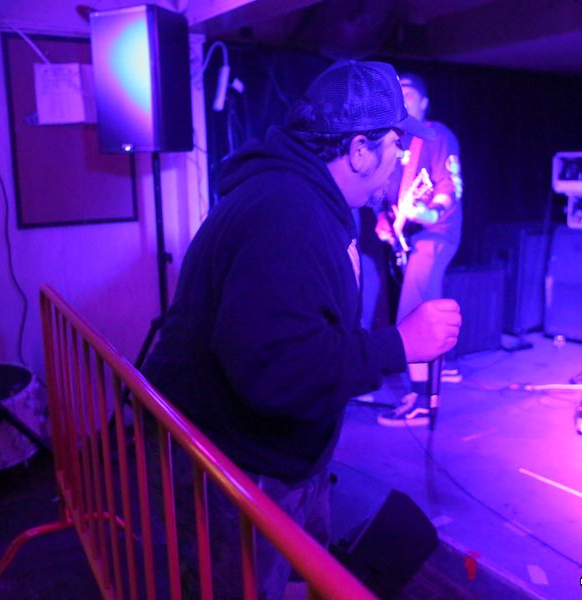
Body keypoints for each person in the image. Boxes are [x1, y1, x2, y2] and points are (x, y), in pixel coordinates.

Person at [142, 61, 462, 598]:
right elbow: (277, 372)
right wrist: (400, 343)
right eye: (395, 144)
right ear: (359, 151)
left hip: (277, 458)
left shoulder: (306, 196)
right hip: (243, 468)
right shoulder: (287, 213)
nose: (401, 159)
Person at [375, 72, 464, 428]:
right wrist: (385, 222)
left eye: (409, 92)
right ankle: (442, 364)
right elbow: (386, 195)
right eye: (398, 92)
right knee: (426, 299)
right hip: (410, 237)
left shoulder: (435, 134)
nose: (403, 97)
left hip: (437, 233)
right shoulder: (394, 140)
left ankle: (421, 399)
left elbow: (450, 186)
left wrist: (427, 214)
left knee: (413, 306)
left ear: (424, 103)